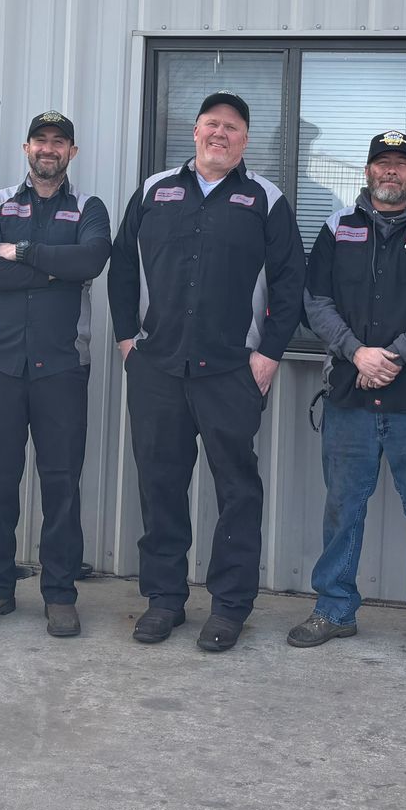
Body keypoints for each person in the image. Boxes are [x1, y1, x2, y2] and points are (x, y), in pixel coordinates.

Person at [107, 91, 306, 653]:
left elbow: (291, 282)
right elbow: (122, 267)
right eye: (211, 124)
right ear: (194, 132)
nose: (220, 134)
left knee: (237, 490)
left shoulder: (264, 198)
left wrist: (268, 355)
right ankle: (164, 600)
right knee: (160, 485)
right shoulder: (154, 192)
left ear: (245, 139)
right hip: (157, 368)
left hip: (230, 371)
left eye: (233, 128)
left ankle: (228, 607)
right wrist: (128, 340)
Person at [286, 131, 406, 669]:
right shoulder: (337, 228)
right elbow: (313, 300)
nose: (391, 173)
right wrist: (355, 353)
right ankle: (335, 608)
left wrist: (393, 357)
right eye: (382, 164)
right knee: (342, 510)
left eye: (401, 165)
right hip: (349, 394)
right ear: (367, 171)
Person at [0, 112, 113, 638]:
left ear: (72, 151)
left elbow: (91, 260)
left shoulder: (88, 207)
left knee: (61, 484)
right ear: (27, 147)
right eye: (41, 141)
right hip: (0, 364)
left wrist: (23, 254)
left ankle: (60, 594)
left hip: (63, 367)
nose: (49, 150)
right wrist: (55, 269)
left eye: (59, 142)